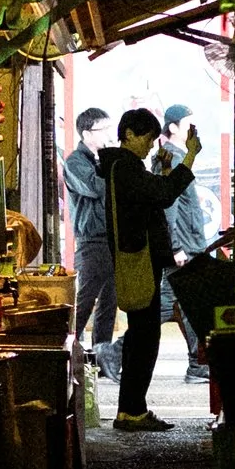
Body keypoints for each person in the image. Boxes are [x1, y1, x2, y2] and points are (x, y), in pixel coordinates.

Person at [95, 108, 190, 429]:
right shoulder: (124, 167)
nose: (150, 145)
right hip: (139, 260)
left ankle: (130, 409)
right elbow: (162, 196)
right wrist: (188, 160)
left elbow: (152, 195)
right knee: (145, 338)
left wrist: (162, 168)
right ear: (129, 135)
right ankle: (133, 410)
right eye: (147, 138)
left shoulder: (125, 167)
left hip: (139, 258)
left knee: (141, 336)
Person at [155, 102, 213, 374]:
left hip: (187, 244)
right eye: (188, 125)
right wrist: (176, 246)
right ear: (173, 127)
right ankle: (114, 353)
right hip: (183, 247)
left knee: (187, 302)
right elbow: (170, 206)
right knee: (174, 304)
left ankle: (197, 361)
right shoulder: (172, 159)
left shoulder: (179, 155)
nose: (193, 131)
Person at [62, 106, 118, 380]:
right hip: (91, 240)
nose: (109, 134)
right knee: (84, 300)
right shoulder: (75, 162)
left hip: (111, 239)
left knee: (109, 302)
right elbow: (97, 188)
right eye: (103, 130)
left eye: (110, 128)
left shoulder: (102, 159)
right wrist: (111, 165)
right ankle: (65, 349)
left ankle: (99, 359)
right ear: (86, 133)